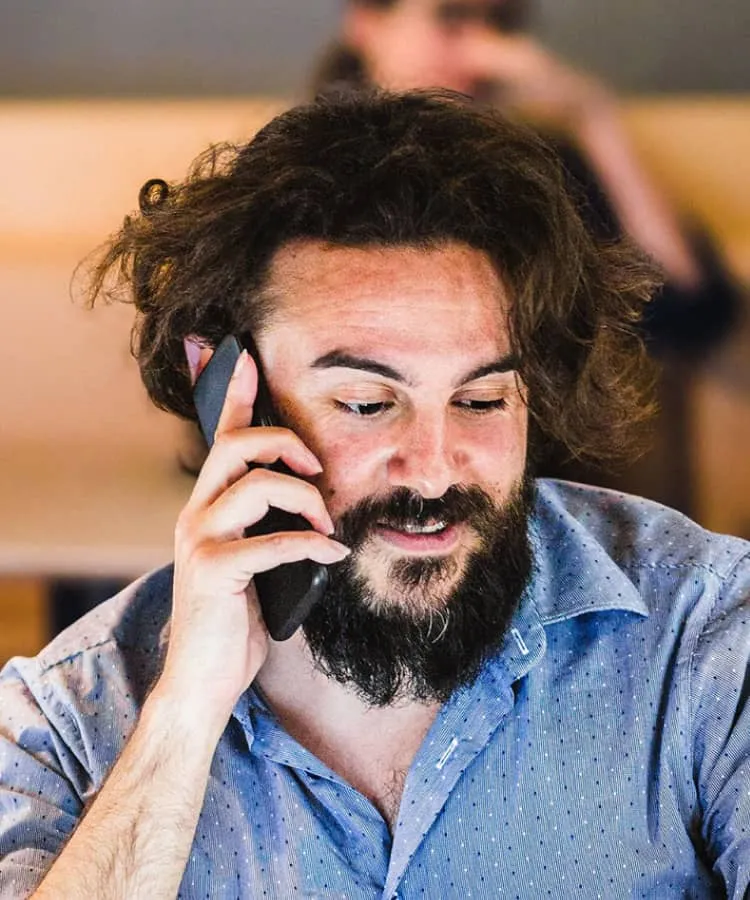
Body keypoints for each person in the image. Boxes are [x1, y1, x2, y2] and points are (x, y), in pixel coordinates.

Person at [0, 90, 748, 899]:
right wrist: (181, 719)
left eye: (481, 400)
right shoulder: (63, 724)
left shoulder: (706, 636)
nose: (432, 471)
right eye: (365, 403)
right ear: (224, 387)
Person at [312, 0, 743, 512]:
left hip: (533, 479)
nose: (483, 49)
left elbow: (690, 308)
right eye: (450, 19)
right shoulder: (306, 171)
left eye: (498, 26)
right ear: (367, 23)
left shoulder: (537, 171)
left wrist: (594, 117)